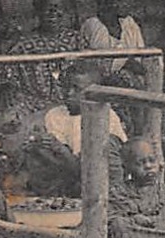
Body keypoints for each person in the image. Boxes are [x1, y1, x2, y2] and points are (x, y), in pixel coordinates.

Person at [23, 64, 127, 198]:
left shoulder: (106, 116)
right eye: (66, 87)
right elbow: (62, 159)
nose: (69, 93)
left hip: (97, 177)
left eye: (77, 89)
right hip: (69, 172)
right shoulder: (55, 115)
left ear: (94, 92)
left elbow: (113, 158)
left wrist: (58, 148)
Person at [0, 0, 86, 113]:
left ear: (65, 10)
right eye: (47, 7)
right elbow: (5, 76)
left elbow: (90, 72)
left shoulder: (77, 39)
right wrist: (7, 86)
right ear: (37, 11)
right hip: (37, 106)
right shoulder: (23, 45)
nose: (53, 12)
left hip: (72, 105)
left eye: (58, 7)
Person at [81, 0, 147, 74]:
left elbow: (143, 57)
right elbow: (100, 65)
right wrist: (126, 63)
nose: (126, 3)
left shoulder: (129, 24)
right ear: (103, 0)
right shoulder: (92, 26)